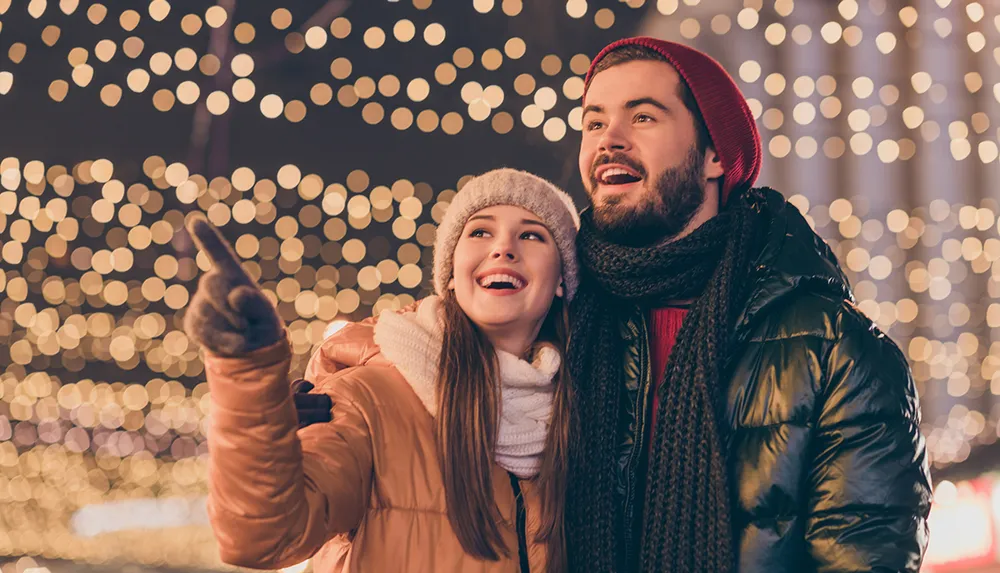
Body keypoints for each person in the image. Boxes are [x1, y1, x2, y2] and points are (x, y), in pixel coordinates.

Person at [561, 37, 933, 572]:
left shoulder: (837, 352)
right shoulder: (556, 328)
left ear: (716, 155)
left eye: (642, 117)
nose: (608, 140)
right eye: (593, 123)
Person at [182, 168, 580, 572]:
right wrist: (250, 372)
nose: (503, 249)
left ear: (562, 280)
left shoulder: (579, 414)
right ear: (452, 274)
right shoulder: (368, 396)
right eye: (479, 232)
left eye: (531, 235)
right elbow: (262, 538)